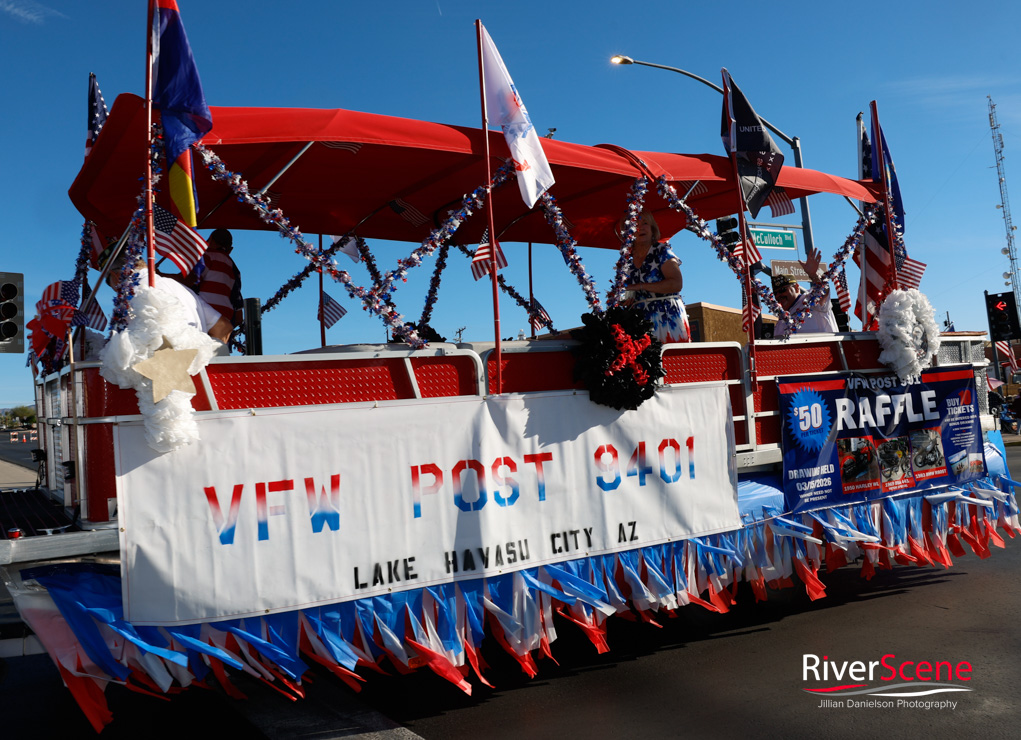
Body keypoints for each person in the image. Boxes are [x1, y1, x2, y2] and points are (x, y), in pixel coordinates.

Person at [104, 248, 232, 344]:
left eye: (109, 284)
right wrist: (205, 363)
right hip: (196, 376)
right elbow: (223, 327)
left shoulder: (133, 294)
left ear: (114, 276)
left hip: (160, 377)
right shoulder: (182, 289)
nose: (114, 290)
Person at [622, 209, 690, 343]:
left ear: (653, 229)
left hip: (667, 317)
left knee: (670, 361)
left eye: (645, 223)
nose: (641, 227)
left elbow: (677, 284)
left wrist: (640, 286)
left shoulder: (662, 251)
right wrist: (625, 299)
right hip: (639, 323)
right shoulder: (626, 261)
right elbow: (628, 290)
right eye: (636, 224)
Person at [771, 245, 838, 336]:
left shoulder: (810, 301)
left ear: (796, 287)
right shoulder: (782, 320)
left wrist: (813, 275)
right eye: (776, 293)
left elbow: (823, 292)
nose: (779, 295)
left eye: (783, 290)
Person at [193, 228, 243, 328]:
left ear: (210, 240)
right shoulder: (235, 270)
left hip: (202, 318)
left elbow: (191, 280)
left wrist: (162, 275)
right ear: (230, 249)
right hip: (223, 324)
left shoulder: (207, 257)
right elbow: (239, 317)